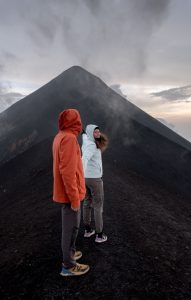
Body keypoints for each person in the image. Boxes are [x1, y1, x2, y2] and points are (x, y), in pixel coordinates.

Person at [52, 108, 89, 276]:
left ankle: (70, 254)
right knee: (71, 228)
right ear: (75, 122)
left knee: (71, 227)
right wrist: (74, 198)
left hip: (67, 193)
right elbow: (67, 171)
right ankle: (68, 265)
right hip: (70, 195)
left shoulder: (59, 136)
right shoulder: (69, 139)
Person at [82, 124, 108, 243]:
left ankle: (87, 230)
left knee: (87, 202)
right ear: (91, 134)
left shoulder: (86, 141)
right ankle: (99, 235)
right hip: (94, 179)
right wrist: (80, 173)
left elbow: (84, 137)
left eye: (98, 131)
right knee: (98, 206)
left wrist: (84, 134)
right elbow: (84, 158)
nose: (98, 133)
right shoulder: (92, 146)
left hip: (86, 179)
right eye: (95, 132)